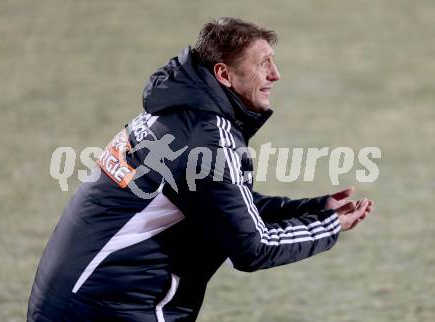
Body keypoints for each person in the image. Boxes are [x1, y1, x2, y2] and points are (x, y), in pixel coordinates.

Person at [28, 17, 374, 321]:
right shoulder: (207, 137)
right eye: (264, 63)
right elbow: (253, 247)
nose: (276, 75)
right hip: (111, 306)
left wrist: (314, 208)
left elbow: (224, 206)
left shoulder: (175, 114)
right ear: (224, 74)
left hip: (73, 299)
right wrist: (329, 225)